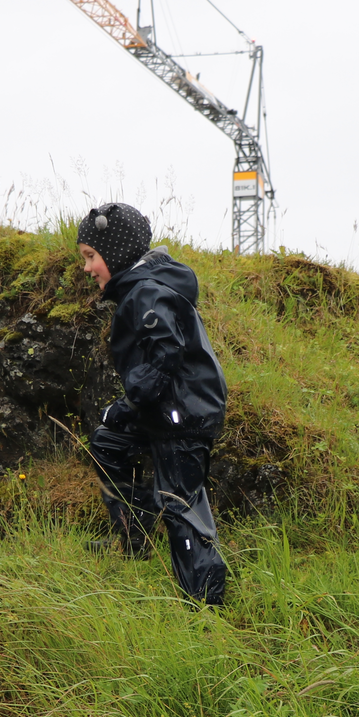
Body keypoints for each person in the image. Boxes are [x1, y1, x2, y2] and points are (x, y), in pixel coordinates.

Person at [78, 202, 228, 605]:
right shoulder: (141, 288)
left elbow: (166, 353)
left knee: (181, 505)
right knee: (109, 442)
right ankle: (133, 537)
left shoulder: (146, 291)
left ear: (116, 252)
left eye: (91, 256)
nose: (87, 268)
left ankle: (205, 605)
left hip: (184, 414)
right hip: (165, 408)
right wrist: (130, 409)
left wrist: (131, 403)